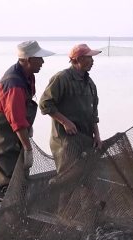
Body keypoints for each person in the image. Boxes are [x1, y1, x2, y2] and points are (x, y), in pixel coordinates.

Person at [0, 40, 55, 190]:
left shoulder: (28, 76)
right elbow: (16, 120)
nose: (42, 62)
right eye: (39, 58)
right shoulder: (14, 84)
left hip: (14, 134)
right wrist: (28, 148)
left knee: (22, 176)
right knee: (12, 182)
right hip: (3, 138)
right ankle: (11, 208)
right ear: (28, 60)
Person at [39, 44, 103, 173]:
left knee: (87, 177)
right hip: (66, 142)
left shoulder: (90, 83)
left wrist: (97, 135)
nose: (92, 61)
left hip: (87, 139)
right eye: (89, 57)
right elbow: (45, 104)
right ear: (78, 59)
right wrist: (65, 122)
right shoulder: (62, 78)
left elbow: (93, 113)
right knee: (68, 178)